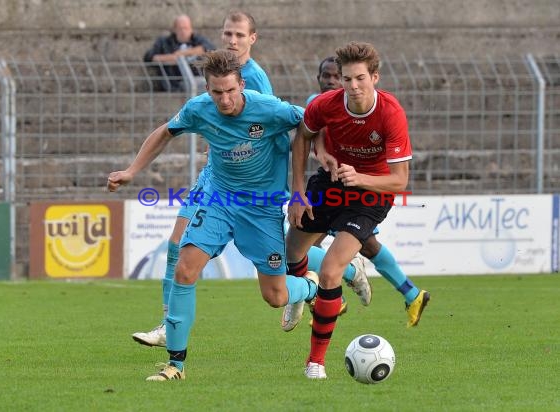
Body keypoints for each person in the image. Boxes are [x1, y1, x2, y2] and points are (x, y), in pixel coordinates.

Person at [131, 11, 370, 347]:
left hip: (257, 190)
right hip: (218, 181)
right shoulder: (205, 96)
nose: (231, 40)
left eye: (239, 35)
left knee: (278, 276)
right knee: (178, 246)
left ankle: (340, 268)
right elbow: (183, 128)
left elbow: (284, 128)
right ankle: (169, 326)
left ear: (251, 40)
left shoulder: (256, 82)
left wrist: (315, 153)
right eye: (227, 33)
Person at [108, 50, 319, 381]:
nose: (224, 100)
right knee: (185, 269)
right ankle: (175, 366)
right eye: (216, 92)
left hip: (261, 208)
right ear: (207, 89)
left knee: (275, 296)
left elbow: (310, 126)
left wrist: (307, 179)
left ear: (242, 85)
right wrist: (132, 171)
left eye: (230, 91)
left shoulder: (270, 109)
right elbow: (165, 132)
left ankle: (308, 288)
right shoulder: (199, 109)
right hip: (218, 199)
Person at [285, 41, 430, 379]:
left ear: (375, 77)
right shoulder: (326, 104)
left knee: (333, 270)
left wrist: (360, 176)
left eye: (359, 78)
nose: (352, 86)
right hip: (330, 184)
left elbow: (399, 180)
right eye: (346, 79)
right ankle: (311, 293)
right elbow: (302, 138)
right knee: (291, 251)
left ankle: (315, 362)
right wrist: (297, 192)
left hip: (371, 194)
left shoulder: (390, 113)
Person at [143, 14, 216, 91]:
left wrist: (183, 53)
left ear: (191, 29)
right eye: (180, 28)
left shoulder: (196, 40)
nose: (183, 31)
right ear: (174, 29)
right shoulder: (164, 42)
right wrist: (172, 58)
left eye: (186, 28)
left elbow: (210, 49)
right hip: (175, 81)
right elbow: (149, 57)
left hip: (197, 76)